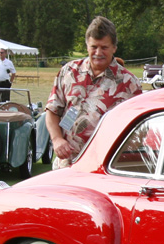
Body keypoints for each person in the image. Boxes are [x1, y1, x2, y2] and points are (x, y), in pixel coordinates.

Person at [45, 16, 142, 170]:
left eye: (104, 47)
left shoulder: (129, 84)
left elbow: (139, 131)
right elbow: (52, 111)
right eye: (94, 47)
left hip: (103, 167)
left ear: (114, 48)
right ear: (87, 46)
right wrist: (57, 139)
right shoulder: (69, 72)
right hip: (66, 164)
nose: (98, 53)